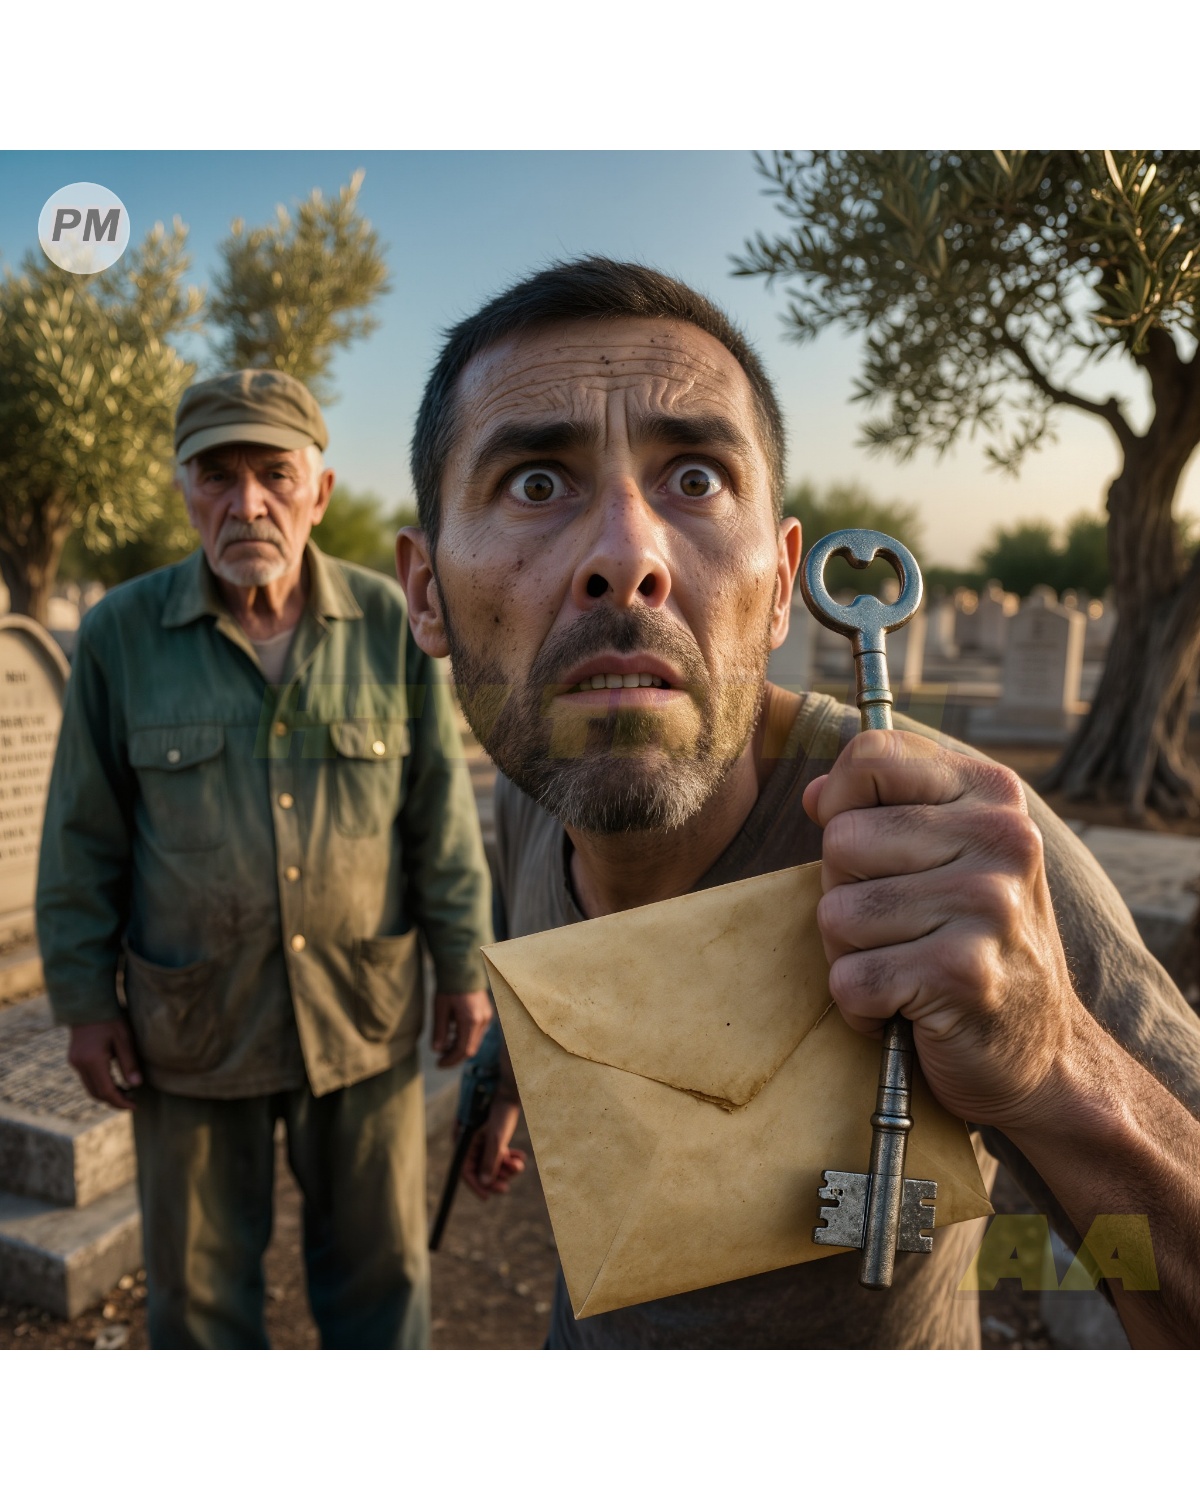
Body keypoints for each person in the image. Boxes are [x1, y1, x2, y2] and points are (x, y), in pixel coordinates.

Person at [395, 257, 1200, 1350]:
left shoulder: (964, 854)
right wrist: (505, 1071)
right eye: (536, 483)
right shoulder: (536, 795)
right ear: (427, 591)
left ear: (783, 585)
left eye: (695, 481)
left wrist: (1055, 1066)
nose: (627, 556)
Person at [37, 369, 494, 1349]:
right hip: (193, 1023)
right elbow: (83, 833)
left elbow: (439, 818)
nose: (248, 502)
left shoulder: (391, 625)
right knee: (196, 1298)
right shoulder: (122, 634)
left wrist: (464, 968)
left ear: (318, 492)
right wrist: (84, 1003)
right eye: (218, 474)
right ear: (185, 490)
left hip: (360, 1015)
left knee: (383, 1276)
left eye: (275, 475)